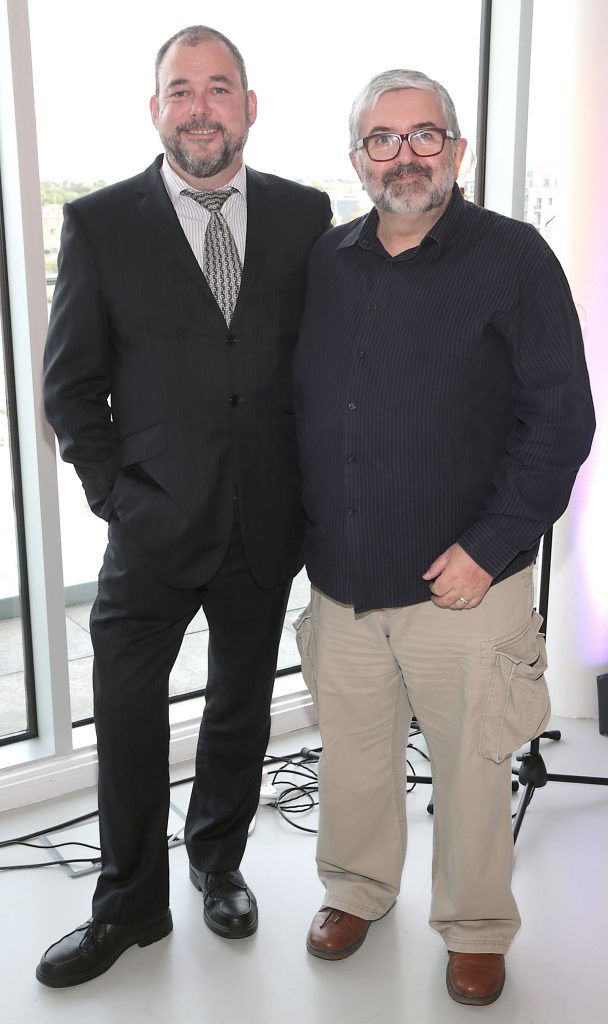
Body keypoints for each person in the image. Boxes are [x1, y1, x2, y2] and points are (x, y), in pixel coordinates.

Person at [293, 69, 595, 1006]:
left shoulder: (514, 258)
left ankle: (473, 925)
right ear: (357, 159)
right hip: (343, 578)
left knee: (471, 767)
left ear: (457, 151)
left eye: (427, 136)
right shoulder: (325, 261)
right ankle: (356, 888)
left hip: (466, 583)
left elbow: (562, 419)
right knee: (353, 752)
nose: (405, 156)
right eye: (382, 139)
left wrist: (489, 544)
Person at [38, 25, 331, 987]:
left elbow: (316, 375)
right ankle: (128, 907)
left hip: (265, 524)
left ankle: (218, 862)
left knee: (239, 708)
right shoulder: (98, 225)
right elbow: (72, 390)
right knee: (127, 712)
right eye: (180, 89)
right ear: (156, 109)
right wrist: (120, 499)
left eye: (220, 87)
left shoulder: (304, 215)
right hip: (153, 525)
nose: (200, 106)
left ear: (249, 107)